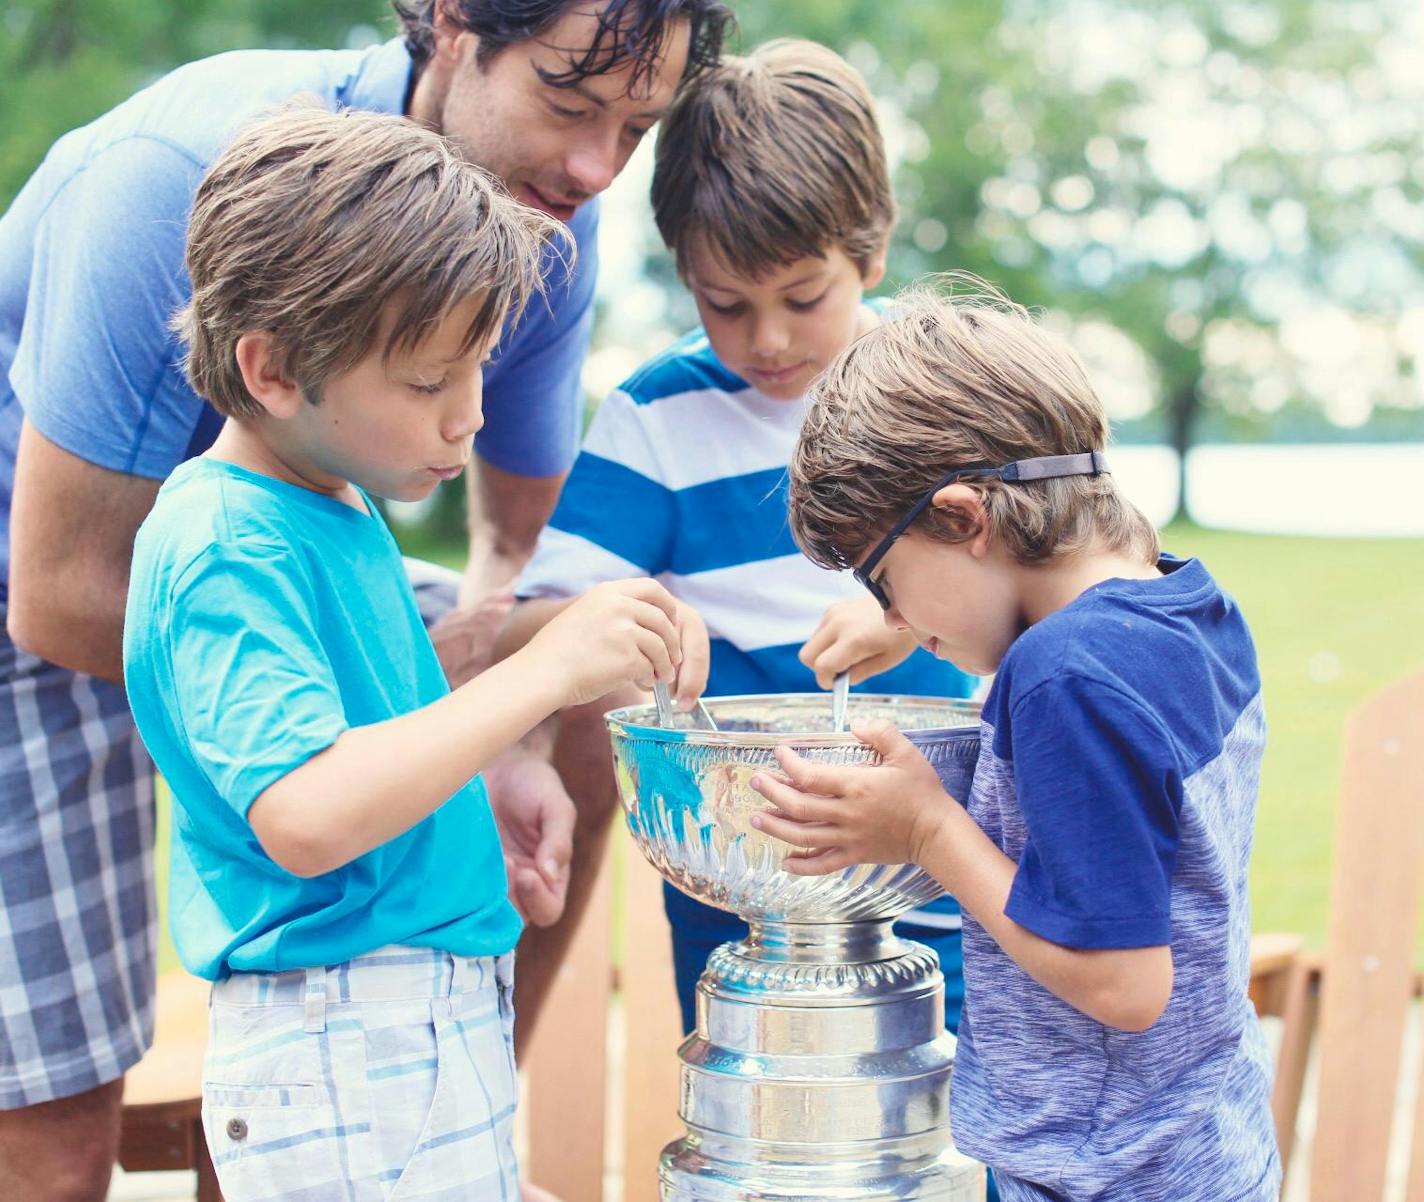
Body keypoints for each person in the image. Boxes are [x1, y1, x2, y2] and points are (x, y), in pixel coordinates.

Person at [0, 1, 730, 1195]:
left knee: (583, 648)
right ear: (453, 24)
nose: (596, 170)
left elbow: (509, 550)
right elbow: (65, 596)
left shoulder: (522, 224)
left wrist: (518, 719)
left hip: (305, 503)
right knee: (57, 1130)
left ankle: (456, 1053)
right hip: (42, 582)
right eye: (566, 100)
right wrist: (466, 710)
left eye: (636, 127)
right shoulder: (167, 184)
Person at [749, 279, 1282, 1200]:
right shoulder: (1189, 610)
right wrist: (922, 617)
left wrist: (927, 832)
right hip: (1204, 1141)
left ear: (963, 518)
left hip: (1105, 1169)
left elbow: (1124, 983)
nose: (892, 613)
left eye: (884, 581)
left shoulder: (1062, 678)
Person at [497, 40, 977, 1037]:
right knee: (750, 1114)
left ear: (871, 250)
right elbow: (541, 614)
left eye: (803, 298)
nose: (765, 339)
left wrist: (911, 620)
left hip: (947, 865)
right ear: (683, 271)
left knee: (951, 1124)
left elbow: (1045, 577)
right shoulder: (658, 419)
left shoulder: (948, 391)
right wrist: (636, 628)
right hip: (738, 884)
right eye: (724, 303)